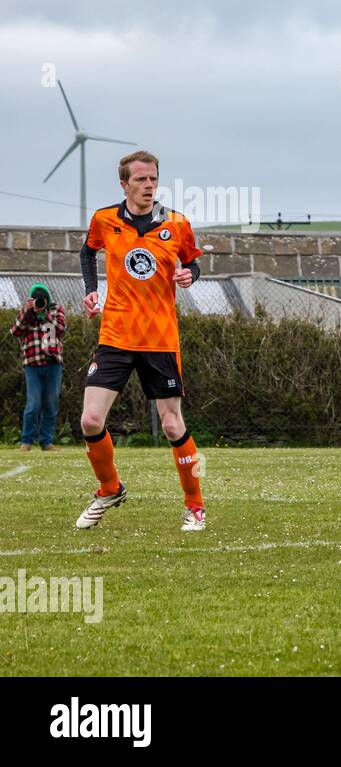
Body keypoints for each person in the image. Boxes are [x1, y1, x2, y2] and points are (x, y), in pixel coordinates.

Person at [75, 150, 207, 532]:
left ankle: (195, 506)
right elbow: (88, 252)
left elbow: (193, 262)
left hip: (160, 340)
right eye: (141, 180)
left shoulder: (177, 224)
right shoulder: (104, 220)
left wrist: (190, 276)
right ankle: (109, 489)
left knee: (171, 425)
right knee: (90, 419)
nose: (149, 186)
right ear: (124, 184)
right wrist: (90, 290)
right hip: (115, 336)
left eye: (153, 179)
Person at [10, 283, 66, 451]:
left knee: (51, 403)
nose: (39, 303)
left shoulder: (56, 311)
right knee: (33, 403)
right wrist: (28, 311)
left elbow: (61, 329)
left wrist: (45, 314)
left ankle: (46, 441)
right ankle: (26, 441)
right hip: (32, 365)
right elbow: (15, 331)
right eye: (37, 300)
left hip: (53, 364)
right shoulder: (27, 314)